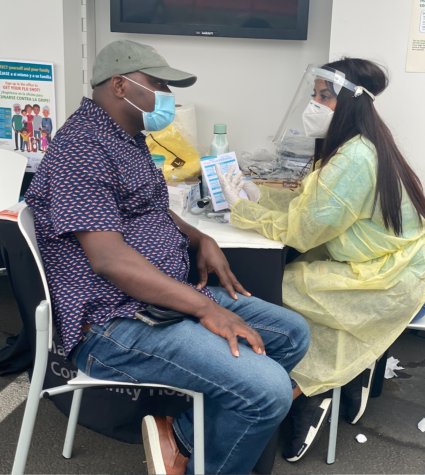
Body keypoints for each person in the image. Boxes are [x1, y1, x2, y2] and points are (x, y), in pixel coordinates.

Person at [24, 39, 310, 475]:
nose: (168, 97)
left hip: (162, 301)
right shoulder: (81, 148)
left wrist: (200, 239)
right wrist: (206, 309)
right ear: (120, 85)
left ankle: (183, 441)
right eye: (157, 84)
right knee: (268, 389)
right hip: (114, 321)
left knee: (291, 334)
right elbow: (109, 260)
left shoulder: (126, 138)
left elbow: (149, 209)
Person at [217, 57, 425, 462]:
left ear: (348, 103)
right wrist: (263, 197)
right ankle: (344, 372)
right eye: (313, 95)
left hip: (389, 276)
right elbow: (311, 206)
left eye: (324, 97)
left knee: (279, 296)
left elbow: (303, 230)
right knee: (293, 283)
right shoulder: (356, 146)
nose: (313, 105)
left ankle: (308, 390)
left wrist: (244, 211)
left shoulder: (353, 159)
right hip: (384, 262)